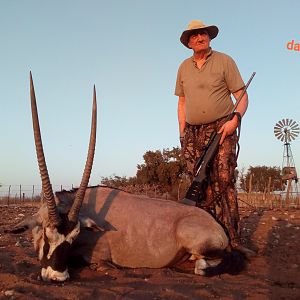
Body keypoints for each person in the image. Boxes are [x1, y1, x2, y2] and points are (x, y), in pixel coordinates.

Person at [175, 20, 248, 250]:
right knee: (198, 181)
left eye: (203, 34)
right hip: (193, 132)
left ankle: (232, 239)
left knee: (223, 179)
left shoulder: (225, 60)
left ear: (209, 37)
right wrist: (182, 132)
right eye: (194, 36)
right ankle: (206, 237)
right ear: (188, 42)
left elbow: (242, 96)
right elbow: (182, 102)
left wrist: (235, 119)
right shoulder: (183, 68)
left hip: (222, 126)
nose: (200, 38)